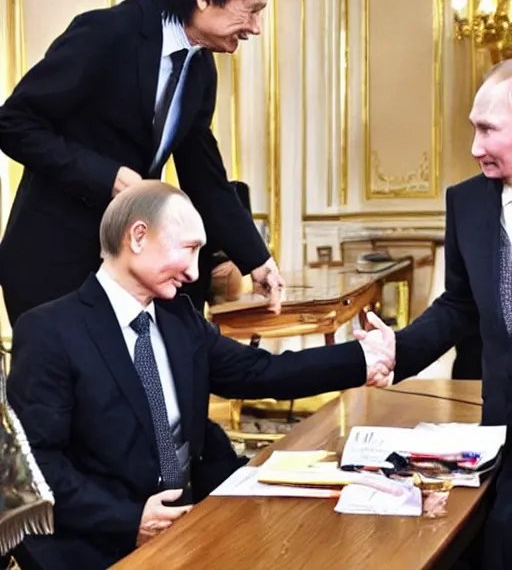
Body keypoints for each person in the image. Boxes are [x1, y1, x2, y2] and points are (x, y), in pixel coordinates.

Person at [7, 181, 394, 570]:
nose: (194, 272)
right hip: (98, 545)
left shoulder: (180, 319)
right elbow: (37, 464)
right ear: (138, 237)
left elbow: (259, 372)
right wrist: (129, 519)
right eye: (188, 249)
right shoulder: (50, 331)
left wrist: (361, 357)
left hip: (195, 524)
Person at [0, 0, 292, 326]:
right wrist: (108, 178)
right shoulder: (108, 33)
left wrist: (257, 260)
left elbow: (205, 178)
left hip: (126, 273)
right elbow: (13, 123)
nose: (256, 27)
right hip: (53, 267)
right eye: (251, 10)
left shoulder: (200, 69)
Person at [359, 60, 512, 570]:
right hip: (502, 428)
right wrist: (398, 349)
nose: (473, 147)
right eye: (473, 127)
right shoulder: (467, 202)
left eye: (488, 129)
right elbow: (460, 303)